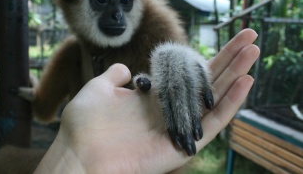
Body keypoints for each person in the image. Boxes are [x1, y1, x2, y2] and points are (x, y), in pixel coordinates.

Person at [34, 28, 260, 174]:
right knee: (8, 160)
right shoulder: (72, 52)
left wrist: (176, 61)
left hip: (147, 154)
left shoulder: (152, 26)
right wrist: (75, 156)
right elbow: (43, 111)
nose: (116, 14)